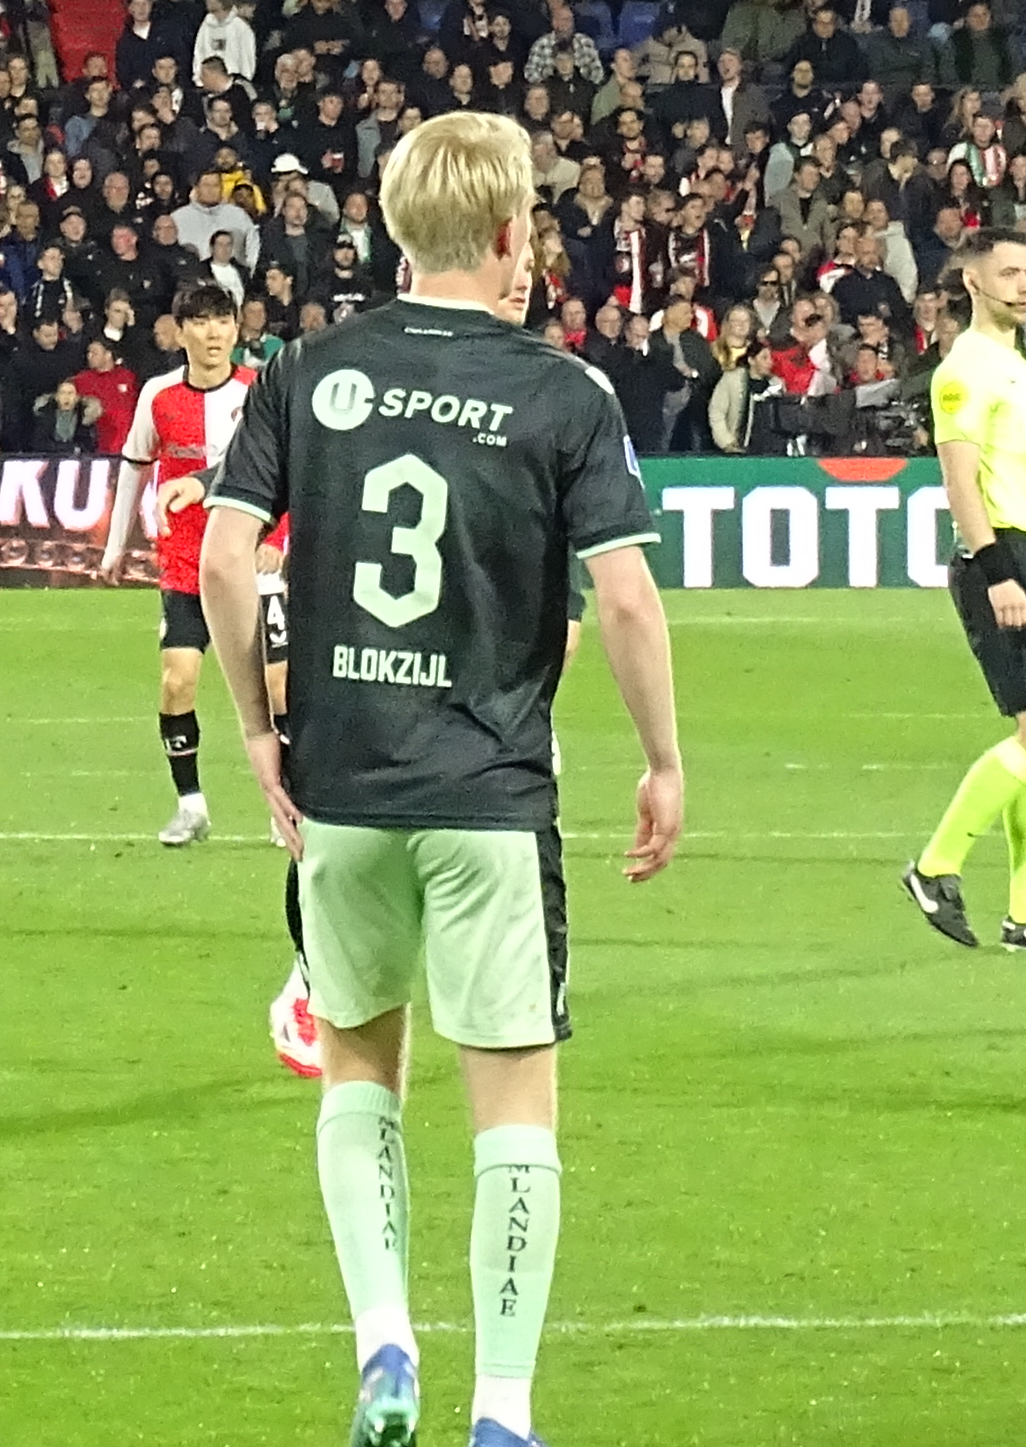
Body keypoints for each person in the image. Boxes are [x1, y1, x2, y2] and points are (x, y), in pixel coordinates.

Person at [203, 110, 682, 1447]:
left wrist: (255, 728)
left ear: (398, 231)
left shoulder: (306, 372)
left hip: (341, 793)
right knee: (515, 1104)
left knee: (360, 1067)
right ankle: (505, 1413)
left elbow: (223, 561)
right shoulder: (561, 392)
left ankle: (384, 1347)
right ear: (514, 233)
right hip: (489, 798)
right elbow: (628, 602)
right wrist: (662, 760)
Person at [901, 233, 1026, 957]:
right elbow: (960, 484)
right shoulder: (963, 371)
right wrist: (1000, 573)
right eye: (1010, 273)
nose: (1025, 286)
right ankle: (935, 866)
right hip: (1002, 557)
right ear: (972, 281)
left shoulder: (1024, 369)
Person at [97, 278, 270, 844]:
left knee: (281, 690)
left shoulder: (260, 390)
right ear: (181, 333)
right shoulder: (158, 396)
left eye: (223, 320)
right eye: (201, 322)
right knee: (178, 682)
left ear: (237, 327)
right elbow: (134, 466)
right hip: (184, 563)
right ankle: (191, 805)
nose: (214, 332)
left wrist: (280, 539)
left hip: (252, 559)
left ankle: (284, 807)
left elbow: (288, 469)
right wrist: (115, 546)